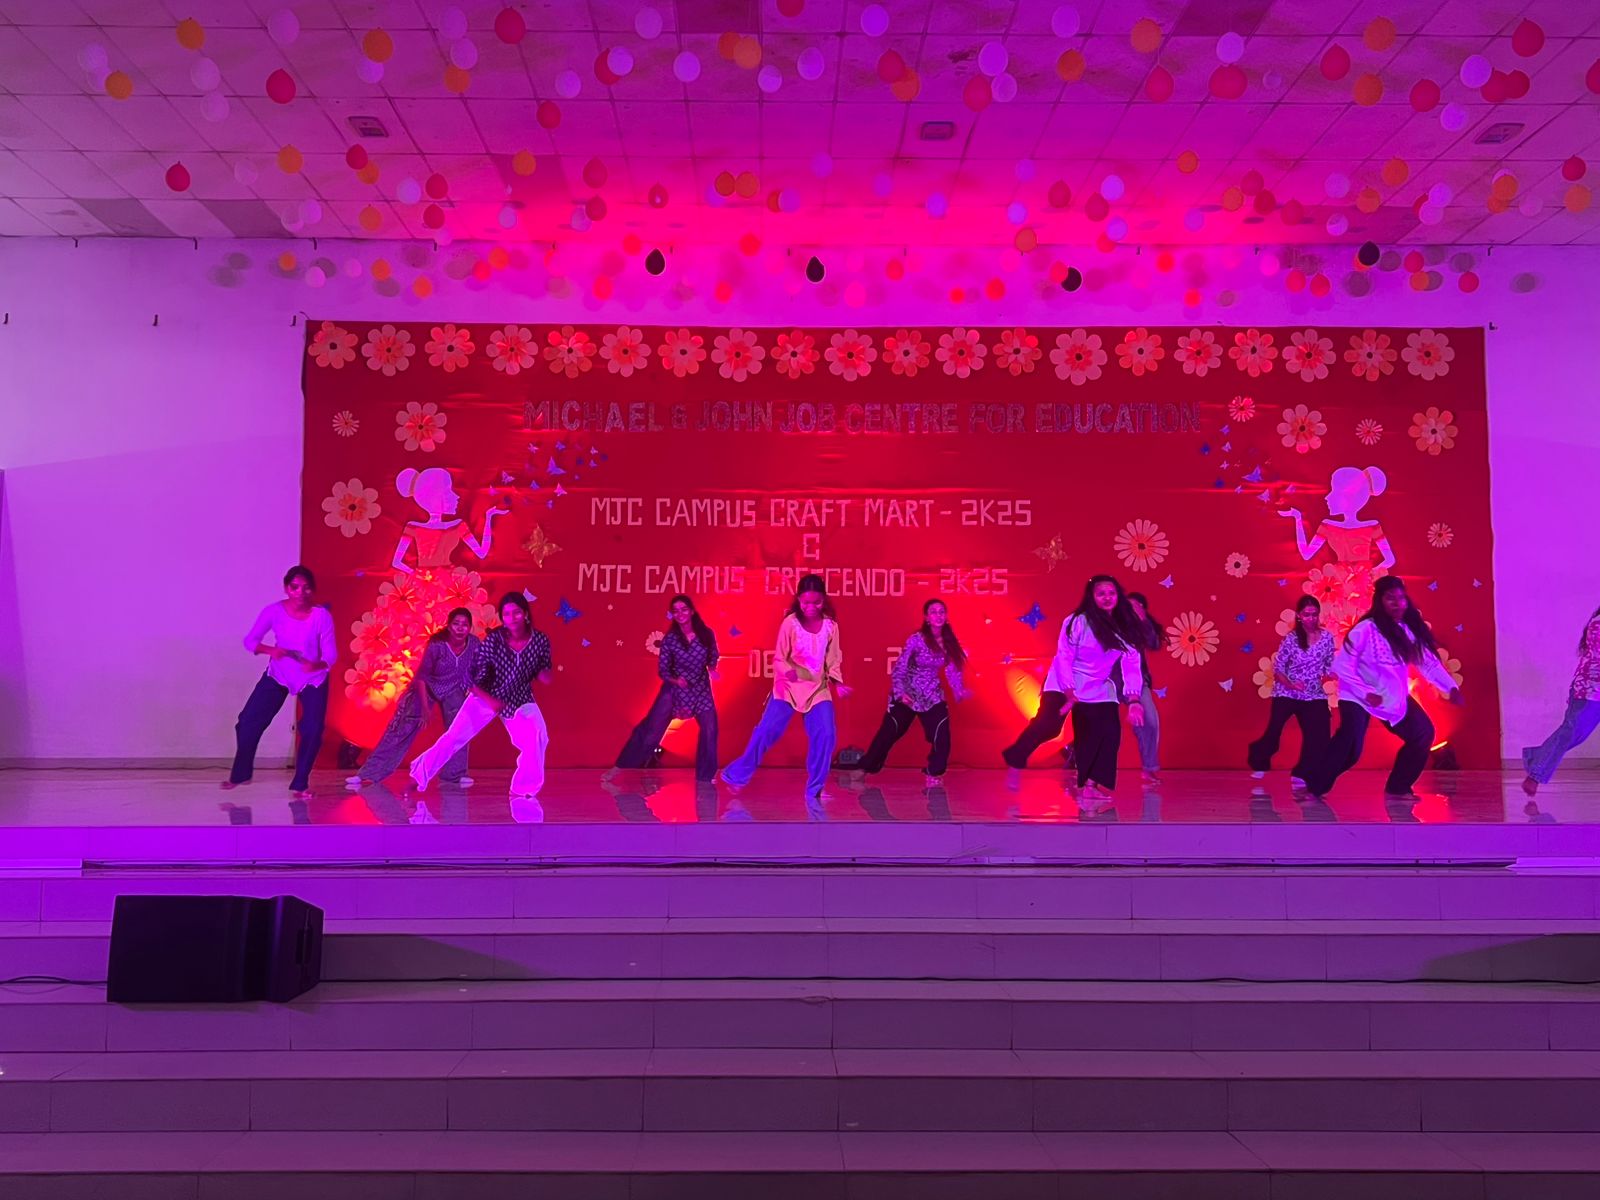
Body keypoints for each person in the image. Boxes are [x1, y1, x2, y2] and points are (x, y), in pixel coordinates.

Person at [1301, 576, 1462, 802]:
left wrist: (1450, 687)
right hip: (1357, 695)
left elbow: (1428, 663)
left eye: (1401, 598)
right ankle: (1314, 788)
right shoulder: (1365, 629)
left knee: (1423, 733)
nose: (1397, 603)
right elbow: (1341, 666)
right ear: (1380, 601)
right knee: (1350, 747)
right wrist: (1365, 692)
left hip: (1388, 695)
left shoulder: (1407, 632)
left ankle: (1398, 787)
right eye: (1390, 598)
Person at [720, 573, 852, 804]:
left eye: (816, 602)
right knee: (766, 732)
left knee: (826, 734)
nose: (810, 607)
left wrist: (838, 683)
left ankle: (815, 789)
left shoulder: (831, 626)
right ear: (799, 599)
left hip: (817, 688)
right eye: (806, 602)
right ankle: (736, 775)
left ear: (823, 600)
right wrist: (788, 671)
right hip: (788, 687)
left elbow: (833, 660)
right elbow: (780, 658)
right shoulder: (790, 623)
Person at [409, 592, 552, 804]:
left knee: (538, 734)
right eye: (506, 614)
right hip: (485, 695)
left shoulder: (540, 640)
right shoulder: (495, 639)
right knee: (454, 737)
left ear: (525, 614)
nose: (511, 618)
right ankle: (417, 776)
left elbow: (544, 672)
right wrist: (491, 701)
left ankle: (524, 790)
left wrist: (544, 674)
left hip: (519, 697)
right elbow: (469, 676)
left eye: (516, 613)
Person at [224, 565, 337, 800]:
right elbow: (250, 641)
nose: (300, 592)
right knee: (247, 722)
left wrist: (315, 665)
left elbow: (331, 655)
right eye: (295, 587)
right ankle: (241, 774)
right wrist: (271, 650)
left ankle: (300, 784)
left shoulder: (321, 616)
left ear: (312, 590)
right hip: (279, 674)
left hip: (313, 679)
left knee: (312, 730)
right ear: (287, 588)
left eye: (306, 588)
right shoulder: (273, 611)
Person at [347, 608, 480, 789]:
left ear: (470, 628)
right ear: (449, 626)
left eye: (464, 625)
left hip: (453, 688)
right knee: (401, 728)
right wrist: (424, 708)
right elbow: (422, 676)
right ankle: (368, 773)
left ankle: (455, 774)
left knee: (460, 727)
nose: (460, 628)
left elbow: (477, 669)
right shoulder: (437, 645)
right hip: (427, 686)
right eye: (456, 624)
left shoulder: (474, 644)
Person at [1052, 575, 1146, 814]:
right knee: (1088, 738)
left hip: (1103, 687)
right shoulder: (1076, 622)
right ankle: (1086, 785)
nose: (1107, 598)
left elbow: (1132, 662)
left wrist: (1134, 699)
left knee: (1111, 735)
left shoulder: (1124, 625)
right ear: (1092, 597)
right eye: (1101, 593)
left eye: (1111, 593)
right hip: (1077, 684)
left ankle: (1092, 785)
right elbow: (1064, 656)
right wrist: (1069, 690)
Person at [853, 599, 971, 788]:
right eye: (934, 612)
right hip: (907, 694)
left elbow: (952, 670)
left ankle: (934, 772)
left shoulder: (949, 642)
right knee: (889, 732)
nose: (938, 615)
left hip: (931, 695)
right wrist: (900, 693)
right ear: (926, 617)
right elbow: (900, 668)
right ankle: (865, 767)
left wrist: (959, 690)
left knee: (942, 733)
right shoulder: (917, 639)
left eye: (942, 612)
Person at [611, 595, 721, 782]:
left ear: (692, 611)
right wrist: (676, 681)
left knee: (710, 729)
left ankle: (705, 778)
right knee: (651, 730)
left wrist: (712, 669)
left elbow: (713, 655)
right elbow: (663, 670)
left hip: (700, 689)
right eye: (675, 611)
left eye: (684, 609)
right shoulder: (670, 639)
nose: (680, 614)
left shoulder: (706, 634)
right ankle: (621, 768)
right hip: (674, 690)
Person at [1248, 595, 1337, 790]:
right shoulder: (1291, 639)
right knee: (1273, 732)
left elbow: (1329, 665)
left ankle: (1303, 773)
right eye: (1307, 614)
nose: (1311, 618)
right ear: (1299, 616)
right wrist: (1291, 684)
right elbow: (1278, 669)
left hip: (1313, 694)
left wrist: (1336, 674)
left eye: (1314, 614)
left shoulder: (1327, 638)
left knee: (1319, 734)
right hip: (1286, 692)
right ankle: (1260, 760)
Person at [1522, 602, 1600, 796]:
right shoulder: (1598, 624)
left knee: (1576, 735)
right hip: (1589, 689)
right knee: (1570, 733)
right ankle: (1536, 772)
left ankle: (1536, 759)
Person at [1121, 591, 1166, 784]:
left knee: (1150, 721)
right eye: (1129, 606)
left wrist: (1143, 620)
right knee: (1099, 723)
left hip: (1137, 681)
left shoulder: (1141, 629)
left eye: (1137, 607)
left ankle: (1149, 768)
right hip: (1108, 680)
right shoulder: (1109, 624)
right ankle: (1085, 768)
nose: (1132, 610)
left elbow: (1154, 644)